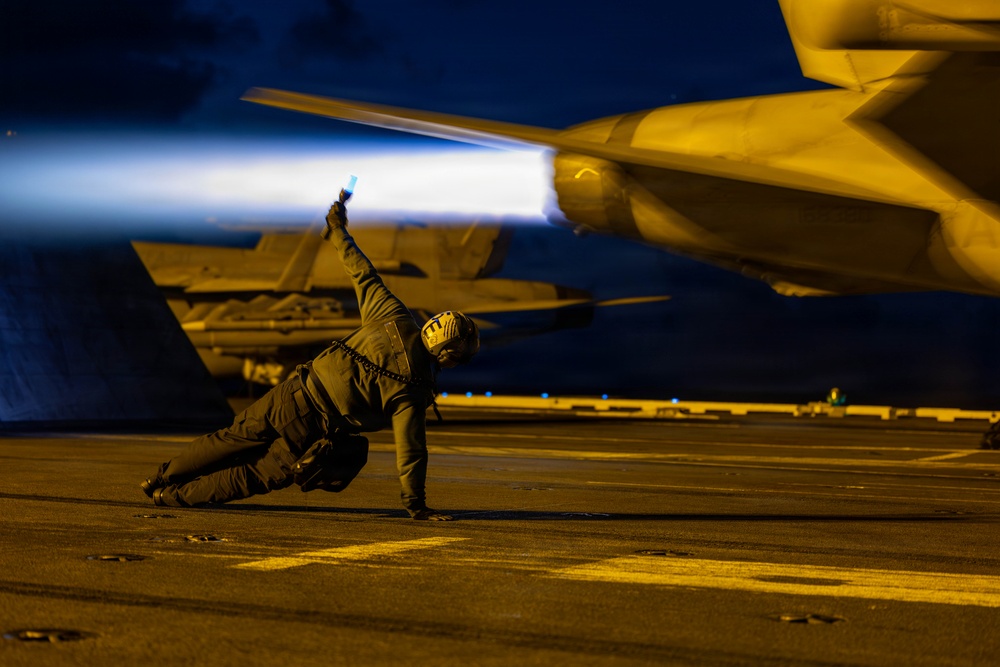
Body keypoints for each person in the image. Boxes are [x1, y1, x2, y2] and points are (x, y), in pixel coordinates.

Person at [139, 193, 479, 520]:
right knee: (253, 475)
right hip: (314, 428)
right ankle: (169, 496)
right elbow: (411, 452)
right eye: (459, 357)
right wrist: (415, 505)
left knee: (230, 439)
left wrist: (337, 229)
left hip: (292, 392)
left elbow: (361, 270)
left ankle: (160, 477)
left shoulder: (392, 314)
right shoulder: (414, 387)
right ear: (447, 353)